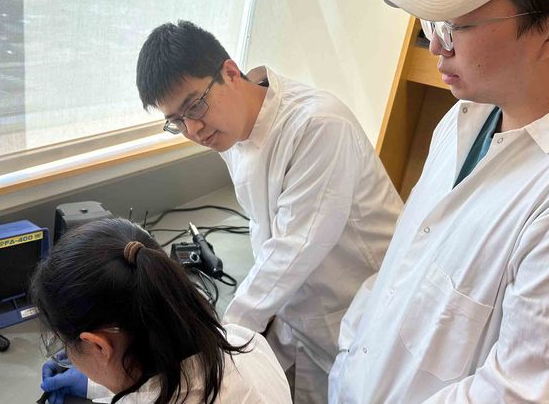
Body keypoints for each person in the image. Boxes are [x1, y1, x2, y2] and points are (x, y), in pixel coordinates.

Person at [330, 0, 549, 402]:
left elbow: (526, 392)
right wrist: (350, 357)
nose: (436, 48)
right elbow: (401, 264)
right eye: (432, 27)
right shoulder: (466, 117)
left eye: (454, 28)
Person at [135, 21, 403, 403]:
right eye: (176, 121)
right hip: (298, 315)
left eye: (194, 105)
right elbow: (272, 230)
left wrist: (220, 339)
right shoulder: (229, 129)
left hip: (359, 316)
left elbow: (296, 246)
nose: (192, 128)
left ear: (230, 73)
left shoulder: (317, 126)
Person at [32, 218, 292, 404]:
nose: (67, 355)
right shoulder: (247, 344)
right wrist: (96, 383)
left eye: (64, 346)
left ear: (100, 346)